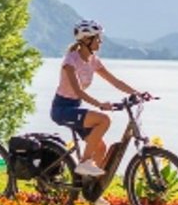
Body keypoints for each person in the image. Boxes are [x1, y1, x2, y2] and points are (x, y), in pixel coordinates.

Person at [50, 19, 141, 178]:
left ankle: (90, 191)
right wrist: (100, 104)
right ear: (86, 40)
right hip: (62, 109)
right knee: (104, 120)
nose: (100, 41)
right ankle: (84, 163)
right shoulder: (70, 61)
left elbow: (115, 81)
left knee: (100, 149)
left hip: (75, 108)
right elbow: (78, 91)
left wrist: (137, 93)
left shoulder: (93, 60)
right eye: (97, 38)